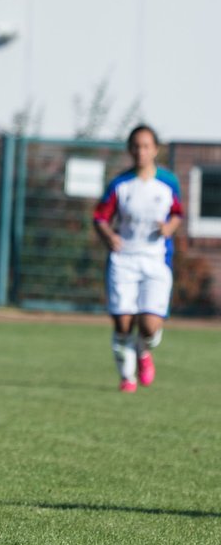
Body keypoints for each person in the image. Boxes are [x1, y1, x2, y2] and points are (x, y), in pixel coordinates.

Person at [93, 124, 182, 393]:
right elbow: (100, 217)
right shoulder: (120, 184)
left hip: (155, 259)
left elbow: (178, 213)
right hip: (124, 259)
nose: (141, 151)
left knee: (149, 325)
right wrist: (109, 236)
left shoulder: (168, 182)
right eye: (136, 146)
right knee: (123, 322)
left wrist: (169, 228)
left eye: (146, 146)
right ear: (130, 150)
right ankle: (126, 377)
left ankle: (144, 351)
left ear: (155, 149)